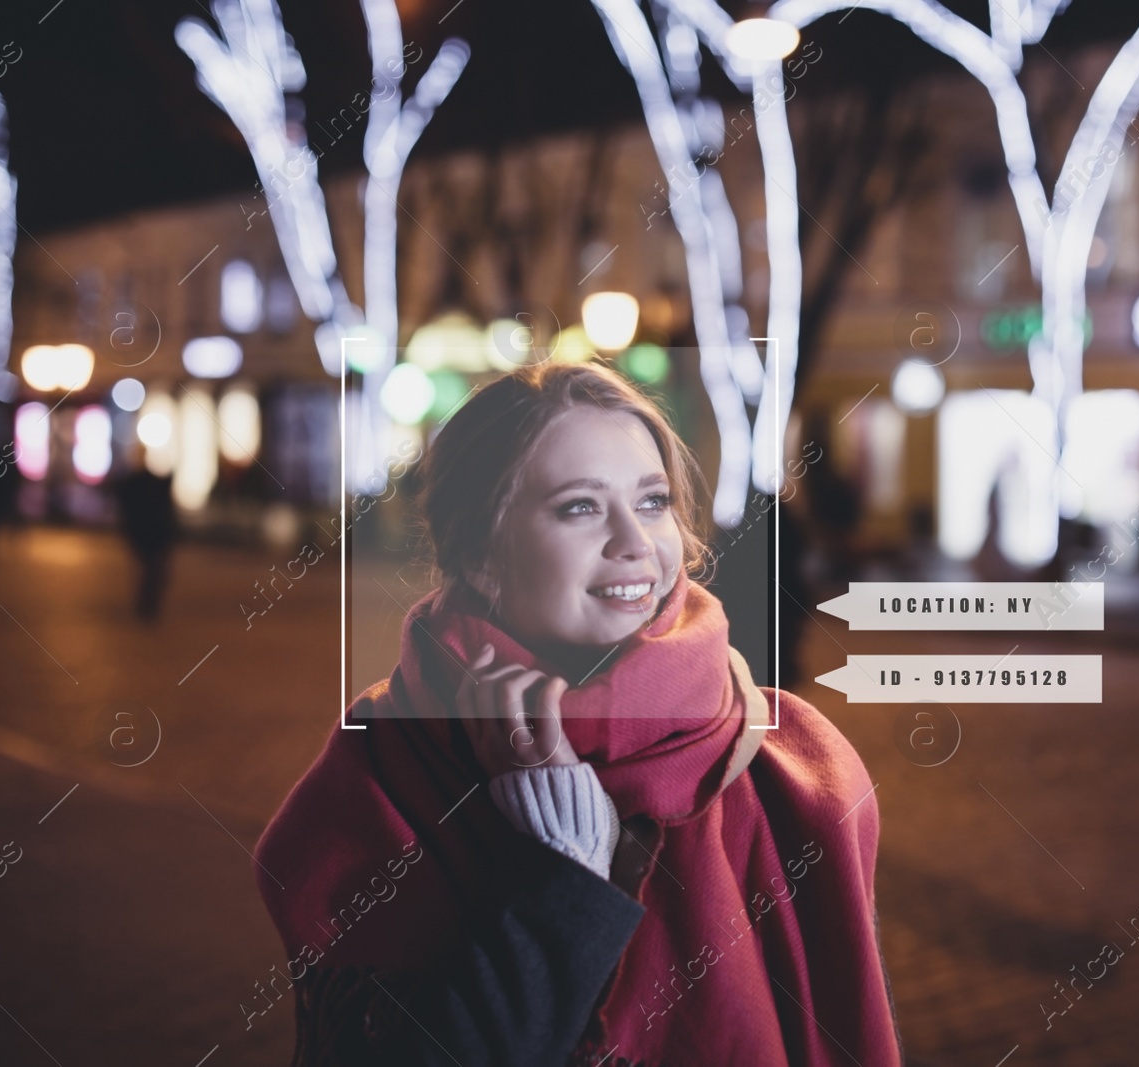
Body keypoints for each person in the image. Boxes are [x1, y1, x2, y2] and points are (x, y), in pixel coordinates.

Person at [253, 361, 901, 1066]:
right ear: (479, 556)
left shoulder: (795, 761)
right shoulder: (380, 767)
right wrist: (563, 877)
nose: (634, 541)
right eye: (580, 506)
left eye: (652, 502)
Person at [113, 457, 177, 621]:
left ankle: (147, 605)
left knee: (151, 571)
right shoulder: (150, 487)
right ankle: (148, 605)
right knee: (154, 571)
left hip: (148, 535)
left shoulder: (137, 486)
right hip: (155, 535)